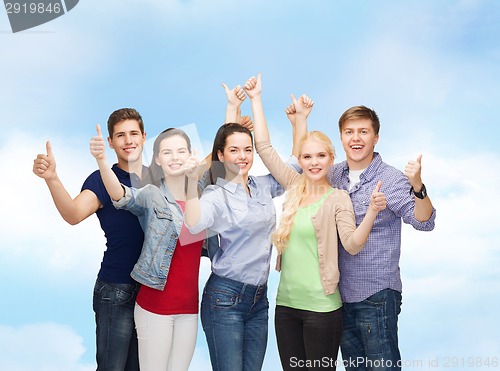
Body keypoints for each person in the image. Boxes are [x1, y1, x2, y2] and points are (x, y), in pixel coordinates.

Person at [244, 73, 387, 371]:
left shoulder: (338, 198)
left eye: (321, 156)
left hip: (322, 309)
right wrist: (256, 99)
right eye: (307, 156)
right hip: (286, 307)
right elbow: (265, 148)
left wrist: (372, 211)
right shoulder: (293, 186)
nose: (313, 162)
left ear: (331, 158)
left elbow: (352, 244)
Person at [290, 103, 436, 370]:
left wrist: (418, 186)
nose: (355, 138)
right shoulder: (333, 175)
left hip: (377, 295)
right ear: (341, 137)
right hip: (339, 298)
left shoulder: (390, 179)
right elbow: (301, 163)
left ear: (375, 137)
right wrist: (300, 121)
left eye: (363, 132)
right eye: (348, 132)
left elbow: (424, 221)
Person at [33, 108, 147, 371]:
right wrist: (52, 178)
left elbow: (200, 174)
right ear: (110, 142)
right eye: (120, 135)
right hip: (116, 289)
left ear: (143, 136)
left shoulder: (159, 176)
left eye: (133, 133)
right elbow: (73, 214)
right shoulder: (101, 179)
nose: (128, 140)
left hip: (151, 291)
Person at [183, 84, 285, 371]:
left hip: (259, 300)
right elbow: (194, 223)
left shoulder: (263, 186)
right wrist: (191, 183)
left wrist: (260, 102)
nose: (242, 156)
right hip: (225, 299)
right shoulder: (218, 194)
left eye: (248, 150)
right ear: (221, 155)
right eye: (234, 150)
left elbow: (295, 170)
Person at [90, 124, 206, 371]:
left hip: (189, 309)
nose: (175, 157)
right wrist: (101, 160)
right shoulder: (152, 194)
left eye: (181, 151)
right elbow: (121, 195)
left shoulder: (202, 195)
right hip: (156, 307)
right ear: (157, 159)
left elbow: (227, 161)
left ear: (190, 154)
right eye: (167, 152)